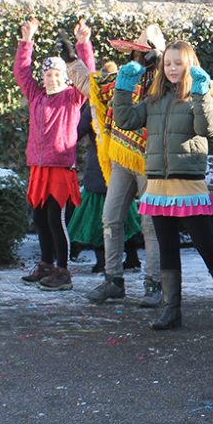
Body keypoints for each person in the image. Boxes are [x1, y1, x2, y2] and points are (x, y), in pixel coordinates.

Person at [112, 40, 213, 331]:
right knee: (168, 247)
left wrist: (199, 94)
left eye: (178, 63)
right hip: (159, 186)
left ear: (190, 64)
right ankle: (171, 309)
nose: (172, 68)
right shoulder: (154, 98)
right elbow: (124, 119)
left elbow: (206, 129)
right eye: (168, 63)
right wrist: (123, 88)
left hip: (188, 185)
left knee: (205, 244)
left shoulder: (201, 95)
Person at [66, 26, 163, 307]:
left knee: (151, 225)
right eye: (136, 51)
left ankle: (154, 284)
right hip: (121, 156)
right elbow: (93, 85)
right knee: (110, 218)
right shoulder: (123, 77)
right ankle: (113, 280)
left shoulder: (164, 80)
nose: (137, 56)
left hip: (151, 161)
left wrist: (158, 68)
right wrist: (73, 61)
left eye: (143, 52)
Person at [15, 18, 96, 291]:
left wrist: (83, 45)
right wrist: (27, 41)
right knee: (39, 218)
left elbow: (89, 78)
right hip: (39, 168)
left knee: (55, 219)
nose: (51, 79)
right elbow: (22, 74)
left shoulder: (73, 98)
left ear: (65, 76)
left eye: (57, 75)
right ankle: (47, 265)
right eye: (47, 75)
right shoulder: (37, 96)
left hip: (61, 168)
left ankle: (63, 270)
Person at [66, 63, 144, 275]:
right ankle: (132, 260)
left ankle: (104, 263)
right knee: (124, 220)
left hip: (100, 171)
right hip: (121, 169)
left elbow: (77, 132)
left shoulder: (96, 104)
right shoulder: (131, 100)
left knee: (100, 221)